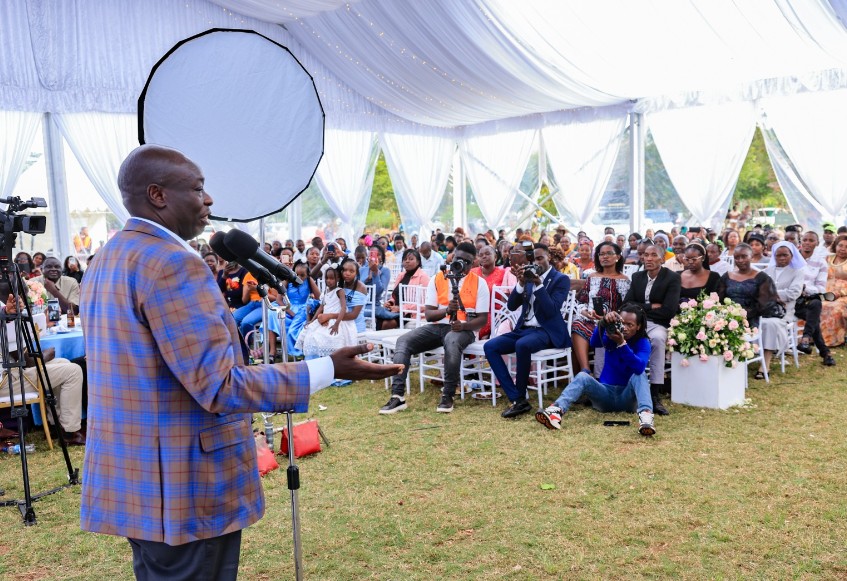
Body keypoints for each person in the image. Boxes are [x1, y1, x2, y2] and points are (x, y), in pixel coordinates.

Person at [78, 144, 400, 579]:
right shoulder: (174, 263)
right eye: (197, 187)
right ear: (158, 195)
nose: (208, 199)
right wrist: (328, 368)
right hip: (184, 483)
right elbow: (219, 386)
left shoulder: (109, 256)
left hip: (137, 478)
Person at [379, 242, 489, 415]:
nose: (462, 264)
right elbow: (429, 315)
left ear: (474, 262)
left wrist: (464, 325)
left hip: (463, 330)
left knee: (452, 341)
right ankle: (397, 396)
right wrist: (446, 310)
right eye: (458, 259)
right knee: (403, 341)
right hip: (438, 326)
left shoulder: (479, 283)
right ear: (452, 256)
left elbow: (482, 319)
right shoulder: (438, 278)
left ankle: (448, 395)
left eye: (467, 262)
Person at [536, 304, 655, 436]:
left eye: (630, 325)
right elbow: (593, 343)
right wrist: (602, 324)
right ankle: (555, 411)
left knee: (640, 374)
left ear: (638, 326)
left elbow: (638, 367)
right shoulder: (612, 335)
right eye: (622, 323)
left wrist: (622, 344)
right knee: (583, 376)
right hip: (604, 396)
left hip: (627, 399)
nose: (625, 328)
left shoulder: (643, 342)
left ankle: (646, 419)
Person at [484, 243, 571, 418]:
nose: (537, 262)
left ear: (549, 258)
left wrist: (538, 285)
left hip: (546, 331)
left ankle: (519, 397)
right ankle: (517, 398)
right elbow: (511, 305)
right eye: (534, 258)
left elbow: (551, 310)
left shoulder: (560, 279)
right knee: (490, 346)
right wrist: (521, 283)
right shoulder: (528, 276)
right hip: (524, 328)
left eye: (540, 258)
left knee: (523, 345)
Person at [1, 287, 86, 445]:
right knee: (73, 371)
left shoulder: (3, 309)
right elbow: (23, 359)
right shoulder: (3, 312)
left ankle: (56, 425)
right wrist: (44, 355)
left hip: (12, 372)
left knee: (64, 363)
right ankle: (70, 432)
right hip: (6, 381)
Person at [622, 243, 680, 415]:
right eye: (646, 255)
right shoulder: (638, 276)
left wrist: (640, 308)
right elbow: (626, 304)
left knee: (657, 340)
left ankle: (654, 395)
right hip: (635, 323)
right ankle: (614, 386)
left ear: (662, 259)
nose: (648, 258)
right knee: (612, 334)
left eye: (654, 255)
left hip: (658, 323)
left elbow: (669, 310)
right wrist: (650, 306)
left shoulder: (672, 278)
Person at [717, 243, 786, 380]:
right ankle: (721, 366)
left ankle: (738, 364)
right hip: (728, 315)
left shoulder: (762, 278)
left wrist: (744, 315)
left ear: (752, 257)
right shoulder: (727, 276)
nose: (740, 260)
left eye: (744, 256)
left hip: (751, 316)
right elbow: (719, 298)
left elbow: (765, 303)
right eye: (737, 257)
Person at [570, 242, 630, 374]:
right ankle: (585, 370)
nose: (605, 257)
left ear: (618, 257)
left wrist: (610, 315)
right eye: (601, 254)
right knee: (578, 324)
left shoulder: (625, 280)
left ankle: (596, 375)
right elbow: (581, 302)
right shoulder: (592, 277)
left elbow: (626, 307)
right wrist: (586, 313)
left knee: (604, 329)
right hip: (589, 319)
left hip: (611, 321)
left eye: (609, 253)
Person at [296, 266, 358, 359]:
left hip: (336, 320)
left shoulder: (339, 291)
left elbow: (344, 308)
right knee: (310, 334)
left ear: (338, 278)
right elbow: (321, 307)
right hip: (325, 319)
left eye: (332, 278)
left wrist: (337, 323)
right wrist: (312, 320)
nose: (329, 281)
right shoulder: (325, 291)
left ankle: (331, 360)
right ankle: (317, 360)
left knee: (327, 337)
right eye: (327, 278)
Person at [762, 241, 806, 370]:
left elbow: (793, 293)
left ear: (792, 255)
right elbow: (759, 291)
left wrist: (771, 294)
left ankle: (767, 361)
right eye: (778, 255)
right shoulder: (766, 271)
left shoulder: (797, 272)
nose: (781, 258)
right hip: (765, 310)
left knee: (771, 324)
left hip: (785, 311)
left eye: (785, 255)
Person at [796, 231, 835, 365]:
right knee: (815, 317)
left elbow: (821, 288)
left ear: (817, 243)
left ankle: (806, 339)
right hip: (791, 301)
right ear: (801, 241)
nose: (807, 243)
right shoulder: (793, 259)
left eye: (811, 240)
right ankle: (824, 352)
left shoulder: (821, 263)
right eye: (805, 240)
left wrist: (805, 288)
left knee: (816, 302)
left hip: (807, 300)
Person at [469, 245, 516, 338]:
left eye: (487, 254)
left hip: (496, 316)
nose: (484, 256)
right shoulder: (472, 273)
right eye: (481, 255)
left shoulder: (504, 273)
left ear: (495, 257)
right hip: (473, 313)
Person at [378, 249, 430, 331]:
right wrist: (390, 302)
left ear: (418, 262)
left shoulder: (423, 277)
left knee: (385, 324)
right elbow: (395, 295)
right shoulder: (401, 275)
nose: (407, 261)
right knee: (378, 318)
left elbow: (424, 303)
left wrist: (401, 308)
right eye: (405, 259)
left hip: (411, 313)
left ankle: (383, 343)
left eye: (411, 259)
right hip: (396, 310)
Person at [821, 234, 847, 347]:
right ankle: (811, 338)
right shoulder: (827, 258)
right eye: (840, 245)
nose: (843, 249)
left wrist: (840, 293)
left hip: (843, 295)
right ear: (835, 245)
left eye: (846, 247)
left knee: (832, 307)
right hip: (825, 291)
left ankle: (831, 340)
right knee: (814, 304)